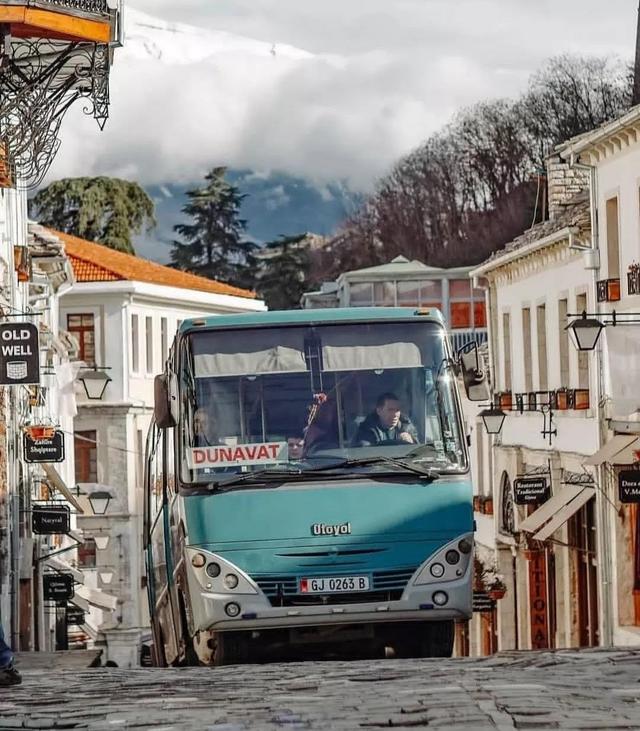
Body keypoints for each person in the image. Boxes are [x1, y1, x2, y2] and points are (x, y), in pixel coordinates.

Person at [352, 392, 418, 446]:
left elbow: (419, 452)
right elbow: (365, 453)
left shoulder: (408, 428)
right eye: (390, 410)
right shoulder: (366, 430)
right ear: (379, 411)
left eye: (397, 410)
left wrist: (411, 442)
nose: (395, 414)